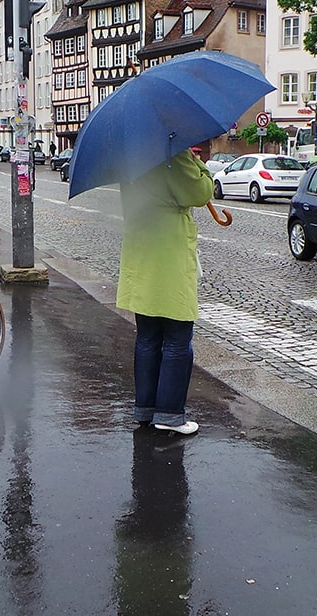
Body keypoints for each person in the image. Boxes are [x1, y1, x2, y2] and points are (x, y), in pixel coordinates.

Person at [116, 148, 214, 435]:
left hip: (140, 249)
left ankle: (145, 410)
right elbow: (200, 193)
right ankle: (170, 414)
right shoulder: (174, 155)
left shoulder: (132, 157)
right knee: (177, 338)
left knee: (147, 337)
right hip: (169, 254)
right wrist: (199, 165)